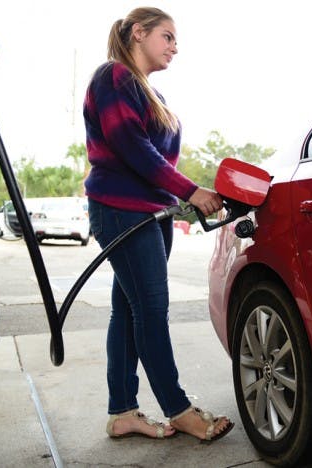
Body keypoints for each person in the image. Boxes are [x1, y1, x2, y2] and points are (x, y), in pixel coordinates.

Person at [83, 7, 234, 442]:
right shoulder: (113, 77)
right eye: (166, 36)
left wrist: (183, 197)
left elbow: (156, 162)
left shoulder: (151, 94)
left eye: (175, 39)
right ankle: (178, 408)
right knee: (150, 309)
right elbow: (133, 148)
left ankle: (122, 412)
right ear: (137, 33)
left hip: (152, 213)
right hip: (122, 211)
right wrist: (191, 192)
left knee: (128, 311)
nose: (174, 46)